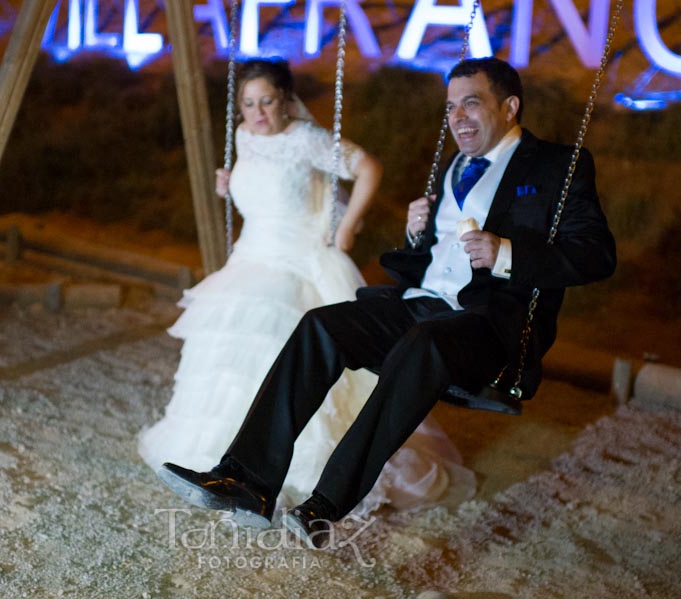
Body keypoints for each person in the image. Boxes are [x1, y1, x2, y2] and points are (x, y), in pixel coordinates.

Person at [156, 57, 617, 547]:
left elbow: (595, 254)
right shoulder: (454, 166)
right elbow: (436, 257)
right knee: (321, 325)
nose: (457, 116)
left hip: (489, 324)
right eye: (451, 106)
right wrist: (417, 236)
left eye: (471, 103)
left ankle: (324, 505)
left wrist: (507, 253)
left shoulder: (556, 166)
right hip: (423, 303)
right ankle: (246, 480)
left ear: (509, 106)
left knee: (423, 343)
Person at [139, 58, 476, 515]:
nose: (258, 113)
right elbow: (257, 183)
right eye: (249, 104)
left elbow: (369, 168)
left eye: (267, 102)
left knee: (280, 344)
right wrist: (229, 183)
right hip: (249, 256)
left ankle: (293, 472)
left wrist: (347, 227)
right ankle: (220, 460)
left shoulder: (307, 139)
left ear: (286, 100)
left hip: (296, 260)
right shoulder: (242, 135)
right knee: (226, 351)